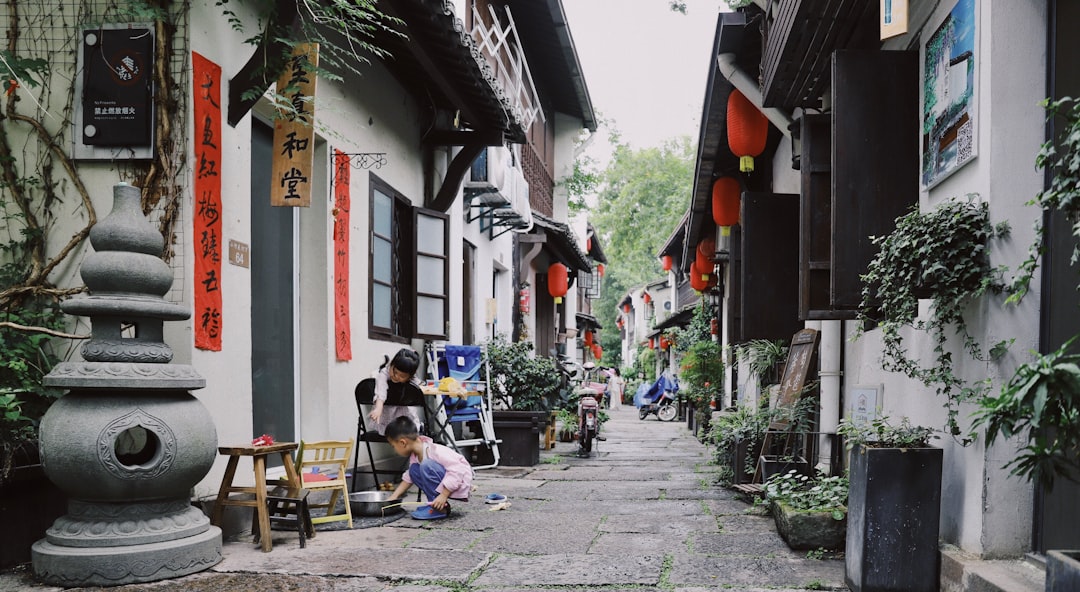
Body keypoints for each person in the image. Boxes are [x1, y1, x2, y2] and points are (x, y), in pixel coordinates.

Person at [384, 416, 473, 520]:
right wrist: (394, 497)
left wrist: (444, 495)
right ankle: (434, 503)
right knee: (413, 470)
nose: (394, 450)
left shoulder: (435, 451)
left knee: (426, 466)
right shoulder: (416, 455)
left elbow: (457, 470)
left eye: (393, 446)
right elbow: (408, 478)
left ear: (403, 443)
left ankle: (439, 509)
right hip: (447, 483)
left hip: (457, 483)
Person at [369, 348, 422, 435]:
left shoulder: (413, 380)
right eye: (395, 371)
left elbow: (418, 386)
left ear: (410, 376)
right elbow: (381, 391)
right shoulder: (384, 373)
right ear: (392, 364)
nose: (396, 376)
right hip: (386, 413)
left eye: (402, 376)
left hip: (404, 415)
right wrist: (378, 408)